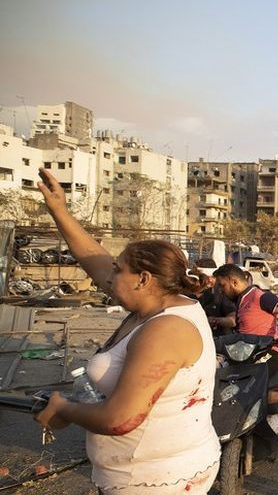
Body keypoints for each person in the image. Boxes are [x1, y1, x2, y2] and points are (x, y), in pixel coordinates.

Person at [32, 169, 221, 494]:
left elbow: (120, 419)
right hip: (146, 472)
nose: (109, 277)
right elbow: (96, 261)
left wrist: (64, 409)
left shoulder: (166, 330)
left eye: (119, 269)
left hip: (157, 481)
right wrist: (59, 211)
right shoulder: (156, 303)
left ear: (144, 279)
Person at [213, 264, 278, 417]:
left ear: (234, 282)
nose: (221, 290)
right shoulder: (241, 301)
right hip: (245, 354)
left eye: (222, 285)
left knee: (247, 389)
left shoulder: (260, 296)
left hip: (266, 353)